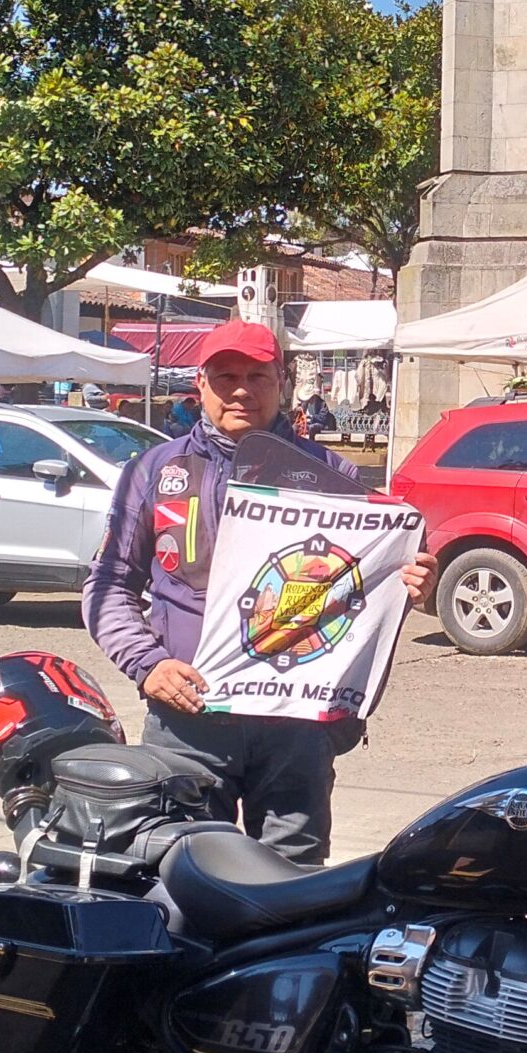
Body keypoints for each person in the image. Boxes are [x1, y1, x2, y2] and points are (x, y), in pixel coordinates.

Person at [83, 319, 435, 867]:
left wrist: (405, 583)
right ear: (199, 384)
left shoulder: (333, 474)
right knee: (178, 876)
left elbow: (362, 586)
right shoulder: (154, 471)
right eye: (225, 376)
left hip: (296, 727)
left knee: (292, 886)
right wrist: (148, 665)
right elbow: (107, 585)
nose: (241, 389)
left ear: (283, 381)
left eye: (257, 376)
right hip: (188, 719)